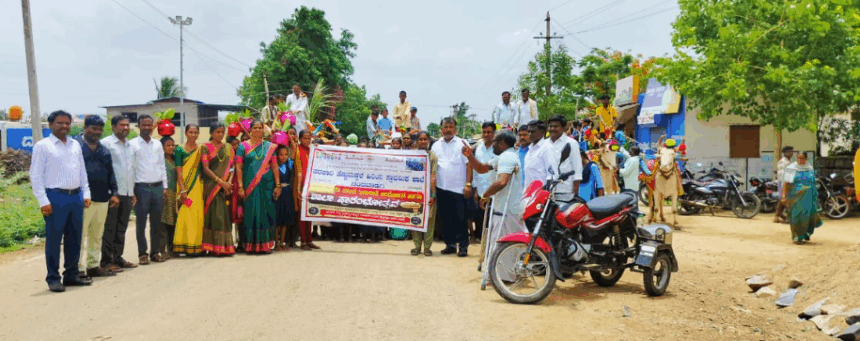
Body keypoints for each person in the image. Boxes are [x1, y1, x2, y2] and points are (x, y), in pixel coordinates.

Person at [30, 111, 92, 292]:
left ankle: (71, 275)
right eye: (60, 123)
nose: (64, 126)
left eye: (67, 123)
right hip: (55, 197)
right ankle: (53, 278)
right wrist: (43, 200)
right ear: (50, 125)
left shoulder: (75, 145)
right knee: (54, 240)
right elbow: (35, 175)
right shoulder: (43, 146)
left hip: (76, 196)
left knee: (75, 238)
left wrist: (86, 193)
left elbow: (82, 171)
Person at [462, 131, 527, 278]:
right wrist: (470, 156)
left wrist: (486, 195)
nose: (493, 145)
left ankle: (502, 277)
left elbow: (501, 182)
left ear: (502, 143)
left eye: (495, 142)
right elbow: (481, 168)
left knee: (503, 245)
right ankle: (502, 275)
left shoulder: (507, 157)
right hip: (503, 209)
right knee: (500, 245)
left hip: (507, 210)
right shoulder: (503, 157)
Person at [76, 116, 119, 278]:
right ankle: (78, 269)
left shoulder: (104, 150)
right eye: (93, 128)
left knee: (96, 234)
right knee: (80, 236)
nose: (97, 132)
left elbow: (110, 174)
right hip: (82, 200)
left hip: (102, 198)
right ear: (85, 128)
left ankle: (93, 266)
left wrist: (114, 193)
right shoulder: (76, 147)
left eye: (99, 129)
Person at [430, 117, 473, 257]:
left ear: (456, 129)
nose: (448, 129)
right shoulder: (435, 145)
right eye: (445, 127)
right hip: (442, 187)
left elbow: (469, 164)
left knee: (460, 219)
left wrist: (468, 184)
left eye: (451, 127)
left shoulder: (462, 143)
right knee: (446, 218)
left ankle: (463, 246)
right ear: (441, 129)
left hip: (459, 189)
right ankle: (450, 245)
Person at [236, 120, 280, 253]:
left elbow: (274, 166)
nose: (257, 130)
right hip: (249, 185)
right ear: (250, 130)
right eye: (254, 128)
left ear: (263, 130)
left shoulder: (270, 146)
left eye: (260, 128)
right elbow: (238, 167)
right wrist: (240, 186)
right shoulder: (242, 147)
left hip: (267, 185)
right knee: (250, 213)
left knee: (266, 213)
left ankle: (265, 245)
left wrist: (278, 185)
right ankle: (250, 245)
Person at [100, 116, 137, 272]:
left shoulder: (129, 145)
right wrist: (110, 193)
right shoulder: (106, 144)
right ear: (113, 127)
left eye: (127, 125)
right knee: (110, 228)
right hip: (114, 194)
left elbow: (131, 169)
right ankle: (106, 261)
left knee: (121, 228)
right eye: (122, 125)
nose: (125, 128)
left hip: (128, 192)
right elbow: (104, 170)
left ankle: (118, 257)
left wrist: (133, 191)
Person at [130, 115, 167, 264]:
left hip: (158, 187)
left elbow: (162, 166)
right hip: (141, 188)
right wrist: (132, 191)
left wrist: (165, 187)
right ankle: (142, 254)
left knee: (157, 222)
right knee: (141, 222)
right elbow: (130, 168)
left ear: (153, 126)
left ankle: (155, 252)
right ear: (138, 126)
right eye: (143, 125)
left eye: (149, 125)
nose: (147, 127)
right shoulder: (132, 145)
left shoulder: (157, 144)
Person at [201, 123, 236, 256]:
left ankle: (225, 247)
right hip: (212, 187)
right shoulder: (205, 147)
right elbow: (206, 168)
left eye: (222, 132)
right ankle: (213, 247)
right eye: (217, 132)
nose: (220, 134)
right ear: (211, 133)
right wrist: (221, 182)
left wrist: (229, 183)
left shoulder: (228, 147)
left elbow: (232, 167)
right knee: (214, 216)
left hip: (225, 187)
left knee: (224, 216)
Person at [173, 124, 204, 256]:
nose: (193, 135)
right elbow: (179, 171)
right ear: (185, 133)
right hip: (184, 186)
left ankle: (197, 245)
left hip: (198, 185)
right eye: (191, 132)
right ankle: (184, 245)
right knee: (185, 214)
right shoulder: (179, 150)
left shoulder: (201, 149)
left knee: (197, 215)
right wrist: (183, 190)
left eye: (196, 132)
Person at [782, 152, 822, 244]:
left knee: (809, 215)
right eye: (798, 158)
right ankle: (797, 237)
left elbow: (812, 182)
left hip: (809, 197)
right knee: (797, 215)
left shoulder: (810, 168)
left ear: (806, 159)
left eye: (802, 158)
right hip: (795, 198)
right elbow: (785, 183)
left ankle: (806, 234)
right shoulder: (791, 168)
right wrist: (783, 196)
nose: (800, 160)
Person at [293, 130, 321, 250]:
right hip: (299, 185)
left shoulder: (312, 151)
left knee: (309, 213)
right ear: (300, 139)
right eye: (305, 138)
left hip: (310, 185)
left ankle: (309, 239)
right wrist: (299, 188)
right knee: (301, 214)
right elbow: (298, 170)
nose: (307, 141)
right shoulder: (297, 150)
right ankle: (303, 241)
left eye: (309, 138)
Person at [410, 131, 437, 256]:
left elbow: (433, 175)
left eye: (425, 139)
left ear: (429, 141)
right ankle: (417, 246)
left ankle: (427, 247)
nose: (423, 142)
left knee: (429, 220)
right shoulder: (411, 156)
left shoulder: (432, 157)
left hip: (428, 192)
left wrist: (433, 195)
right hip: (414, 192)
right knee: (415, 218)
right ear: (417, 141)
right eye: (420, 139)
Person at [471, 122, 498, 243]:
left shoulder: (499, 149)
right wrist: (475, 188)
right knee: (480, 217)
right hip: (481, 188)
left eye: (489, 132)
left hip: (495, 190)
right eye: (484, 132)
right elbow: (475, 170)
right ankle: (481, 239)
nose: (486, 134)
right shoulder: (478, 148)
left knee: (493, 218)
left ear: (494, 133)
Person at [547, 115, 583, 200]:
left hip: (566, 192)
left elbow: (577, 170)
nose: (552, 129)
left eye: (556, 126)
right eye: (550, 126)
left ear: (563, 128)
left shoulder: (571, 143)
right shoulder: (545, 144)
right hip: (548, 192)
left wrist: (574, 194)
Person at [274, 145, 297, 251]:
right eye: (281, 154)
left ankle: (283, 241)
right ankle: (276, 243)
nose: (283, 157)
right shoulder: (274, 166)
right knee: (277, 219)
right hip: (278, 193)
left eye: (285, 154)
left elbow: (294, 149)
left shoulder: (290, 164)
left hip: (287, 193)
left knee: (285, 218)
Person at [227, 136, 246, 250]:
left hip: (239, 189)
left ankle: (241, 243)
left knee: (240, 216)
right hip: (229, 189)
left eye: (237, 144)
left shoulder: (242, 157)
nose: (236, 147)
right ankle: (229, 243)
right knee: (229, 217)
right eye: (233, 144)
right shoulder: (226, 158)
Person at [160, 136, 177, 258]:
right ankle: (162, 249)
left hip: (175, 193)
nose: (171, 148)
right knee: (164, 222)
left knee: (174, 221)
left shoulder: (176, 159)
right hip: (164, 192)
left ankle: (172, 248)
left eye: (173, 145)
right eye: (168, 145)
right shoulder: (160, 160)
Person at [523, 121, 553, 188]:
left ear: (542, 132)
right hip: (528, 194)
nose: (530, 134)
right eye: (529, 132)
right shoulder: (530, 149)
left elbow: (551, 175)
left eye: (533, 132)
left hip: (541, 194)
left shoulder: (547, 148)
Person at [774, 146, 794, 223]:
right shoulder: (783, 162)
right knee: (787, 200)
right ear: (785, 153)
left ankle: (777, 216)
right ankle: (788, 218)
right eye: (789, 152)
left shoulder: (790, 161)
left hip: (790, 182)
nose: (791, 153)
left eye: (792, 151)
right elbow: (782, 175)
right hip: (783, 182)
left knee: (782, 200)